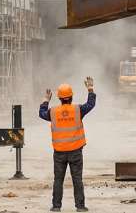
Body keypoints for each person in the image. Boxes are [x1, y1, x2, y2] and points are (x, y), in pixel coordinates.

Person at [40, 76, 96, 212]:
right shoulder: (78, 110)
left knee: (58, 180)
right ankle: (80, 206)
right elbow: (91, 104)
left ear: (59, 98)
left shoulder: (52, 112)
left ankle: (56, 206)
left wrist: (46, 100)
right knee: (77, 179)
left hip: (59, 153)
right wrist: (90, 88)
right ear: (71, 97)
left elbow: (41, 113)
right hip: (75, 151)